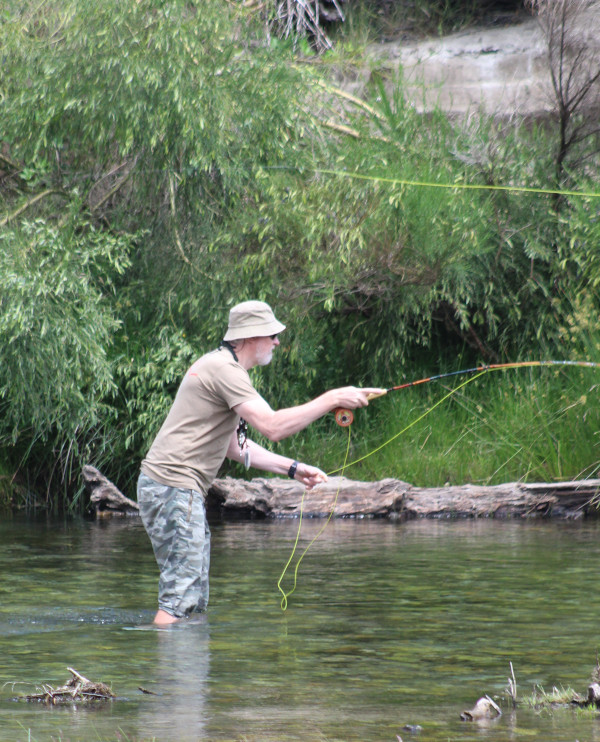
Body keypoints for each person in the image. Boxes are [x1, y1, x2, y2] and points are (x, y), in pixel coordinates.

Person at [137, 300, 384, 625]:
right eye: (272, 334)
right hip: (174, 490)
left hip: (172, 489)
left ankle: (187, 672)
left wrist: (292, 468)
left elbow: (234, 447)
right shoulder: (225, 370)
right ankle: (172, 673)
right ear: (250, 336)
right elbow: (273, 426)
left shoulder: (223, 367)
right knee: (179, 601)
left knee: (192, 600)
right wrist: (332, 398)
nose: (277, 342)